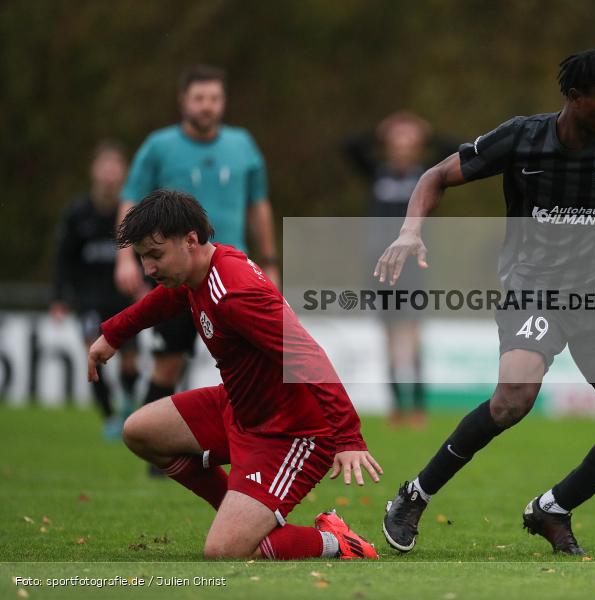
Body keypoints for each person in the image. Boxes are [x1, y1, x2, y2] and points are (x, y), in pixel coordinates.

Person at [375, 47, 595, 556]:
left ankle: (553, 508)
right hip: (534, 292)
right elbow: (435, 176)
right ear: (574, 97)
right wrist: (411, 231)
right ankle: (415, 494)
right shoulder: (523, 138)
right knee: (513, 399)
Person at [89, 189, 382, 559]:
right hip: (242, 409)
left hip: (291, 432)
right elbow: (168, 299)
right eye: (143, 257)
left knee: (224, 552)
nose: (148, 269)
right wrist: (114, 333)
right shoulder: (200, 272)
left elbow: (307, 356)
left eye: (155, 255)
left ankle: (337, 543)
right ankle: (239, 512)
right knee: (140, 431)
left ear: (191, 240)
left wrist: (348, 437)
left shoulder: (235, 292)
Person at [114, 65, 280, 466]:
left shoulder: (242, 144)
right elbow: (132, 200)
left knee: (256, 365)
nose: (207, 107)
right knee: (169, 362)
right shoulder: (159, 146)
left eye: (214, 99)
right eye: (199, 98)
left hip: (230, 273)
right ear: (183, 101)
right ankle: (157, 453)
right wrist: (126, 258)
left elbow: (258, 205)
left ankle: (264, 443)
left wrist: (270, 261)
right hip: (178, 277)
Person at [343, 111, 457, 428]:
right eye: (397, 139)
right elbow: (349, 147)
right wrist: (380, 132)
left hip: (414, 266)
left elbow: (459, 149)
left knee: (414, 336)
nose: (403, 145)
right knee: (390, 337)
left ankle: (419, 407)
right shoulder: (377, 174)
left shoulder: (427, 176)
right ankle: (397, 406)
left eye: (409, 139)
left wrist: (427, 132)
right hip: (380, 267)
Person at [50, 140, 139, 439]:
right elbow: (63, 258)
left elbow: (146, 253)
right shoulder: (78, 214)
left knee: (130, 359)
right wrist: (59, 297)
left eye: (116, 167)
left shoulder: (131, 213)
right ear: (94, 171)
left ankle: (127, 400)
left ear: (124, 172)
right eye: (105, 166)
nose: (110, 174)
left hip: (123, 296)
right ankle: (109, 417)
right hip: (89, 298)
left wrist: (148, 286)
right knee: (93, 354)